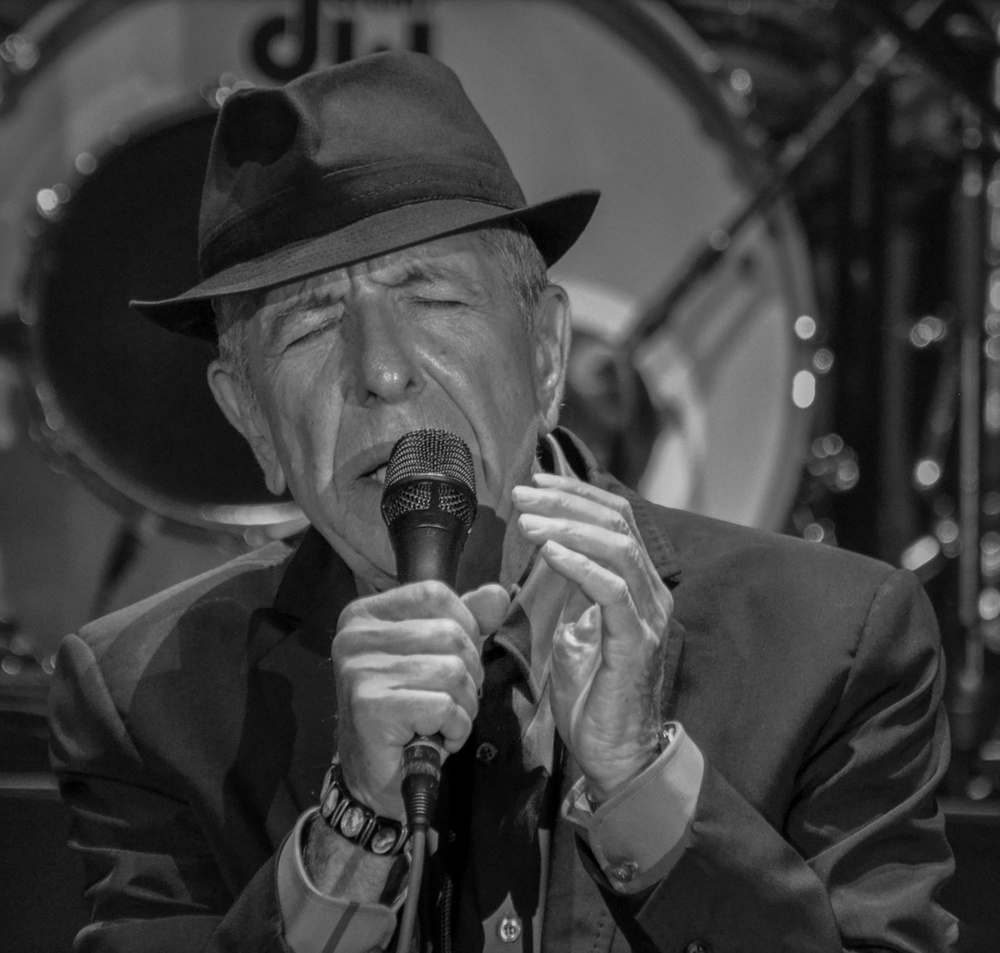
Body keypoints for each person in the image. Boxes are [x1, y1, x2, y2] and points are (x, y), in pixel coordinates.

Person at [48, 51, 957, 953]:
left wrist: (643, 782)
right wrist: (353, 829)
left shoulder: (831, 644)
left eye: (433, 297)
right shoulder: (147, 700)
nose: (381, 369)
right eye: (310, 325)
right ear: (250, 417)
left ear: (549, 352)